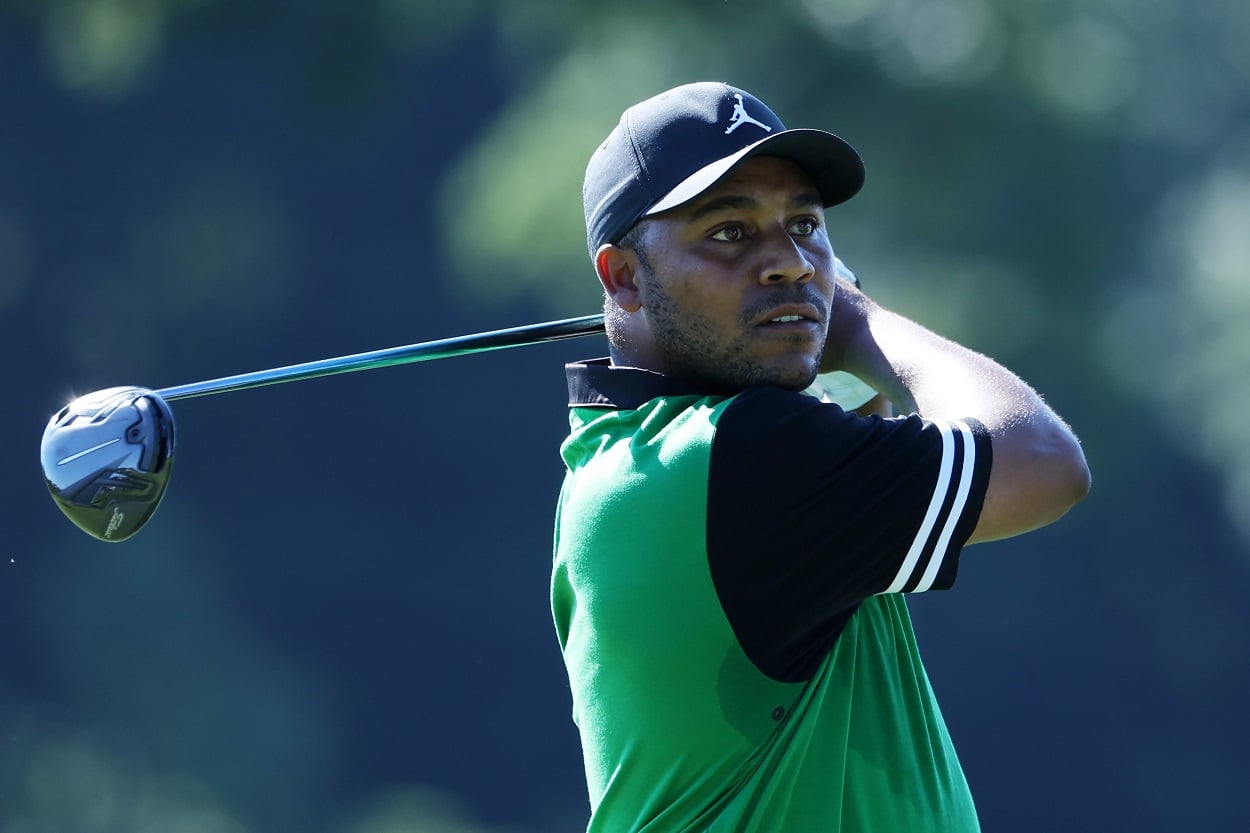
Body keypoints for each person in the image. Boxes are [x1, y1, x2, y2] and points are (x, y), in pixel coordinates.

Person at [551, 82, 1091, 833]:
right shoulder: (735, 462)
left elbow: (849, 428)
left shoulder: (629, 457)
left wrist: (806, 328)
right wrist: (860, 320)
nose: (792, 263)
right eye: (730, 233)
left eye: (804, 224)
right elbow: (1043, 461)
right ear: (624, 278)